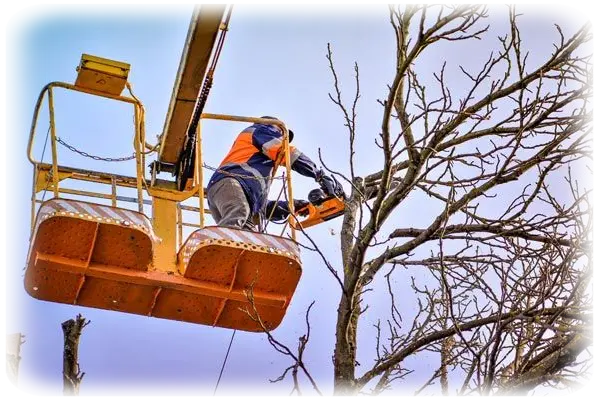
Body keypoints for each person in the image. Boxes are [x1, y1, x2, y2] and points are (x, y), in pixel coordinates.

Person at [206, 116, 338, 231]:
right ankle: (215, 252)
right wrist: (319, 175)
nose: (282, 137)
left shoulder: (257, 175)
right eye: (281, 132)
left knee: (250, 237)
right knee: (239, 211)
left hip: (227, 191)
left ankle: (226, 255)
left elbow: (264, 207)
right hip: (229, 182)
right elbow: (288, 153)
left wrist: (293, 206)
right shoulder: (260, 131)